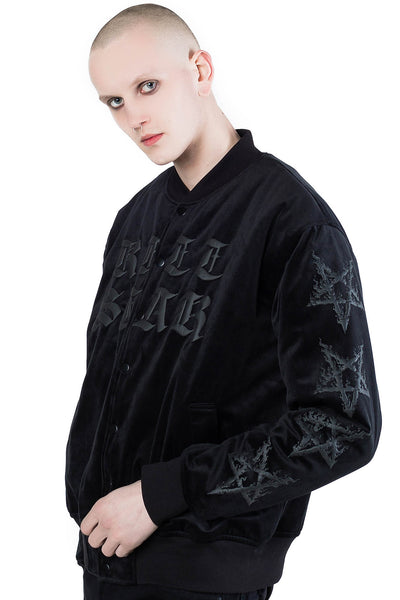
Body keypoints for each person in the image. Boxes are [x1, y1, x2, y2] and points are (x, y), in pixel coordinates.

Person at [65, 4, 382, 599]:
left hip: (208, 575)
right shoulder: (133, 220)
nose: (133, 116)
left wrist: (160, 496)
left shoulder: (291, 220)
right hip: (107, 561)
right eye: (114, 102)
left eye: (147, 86)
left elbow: (342, 426)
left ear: (201, 70)